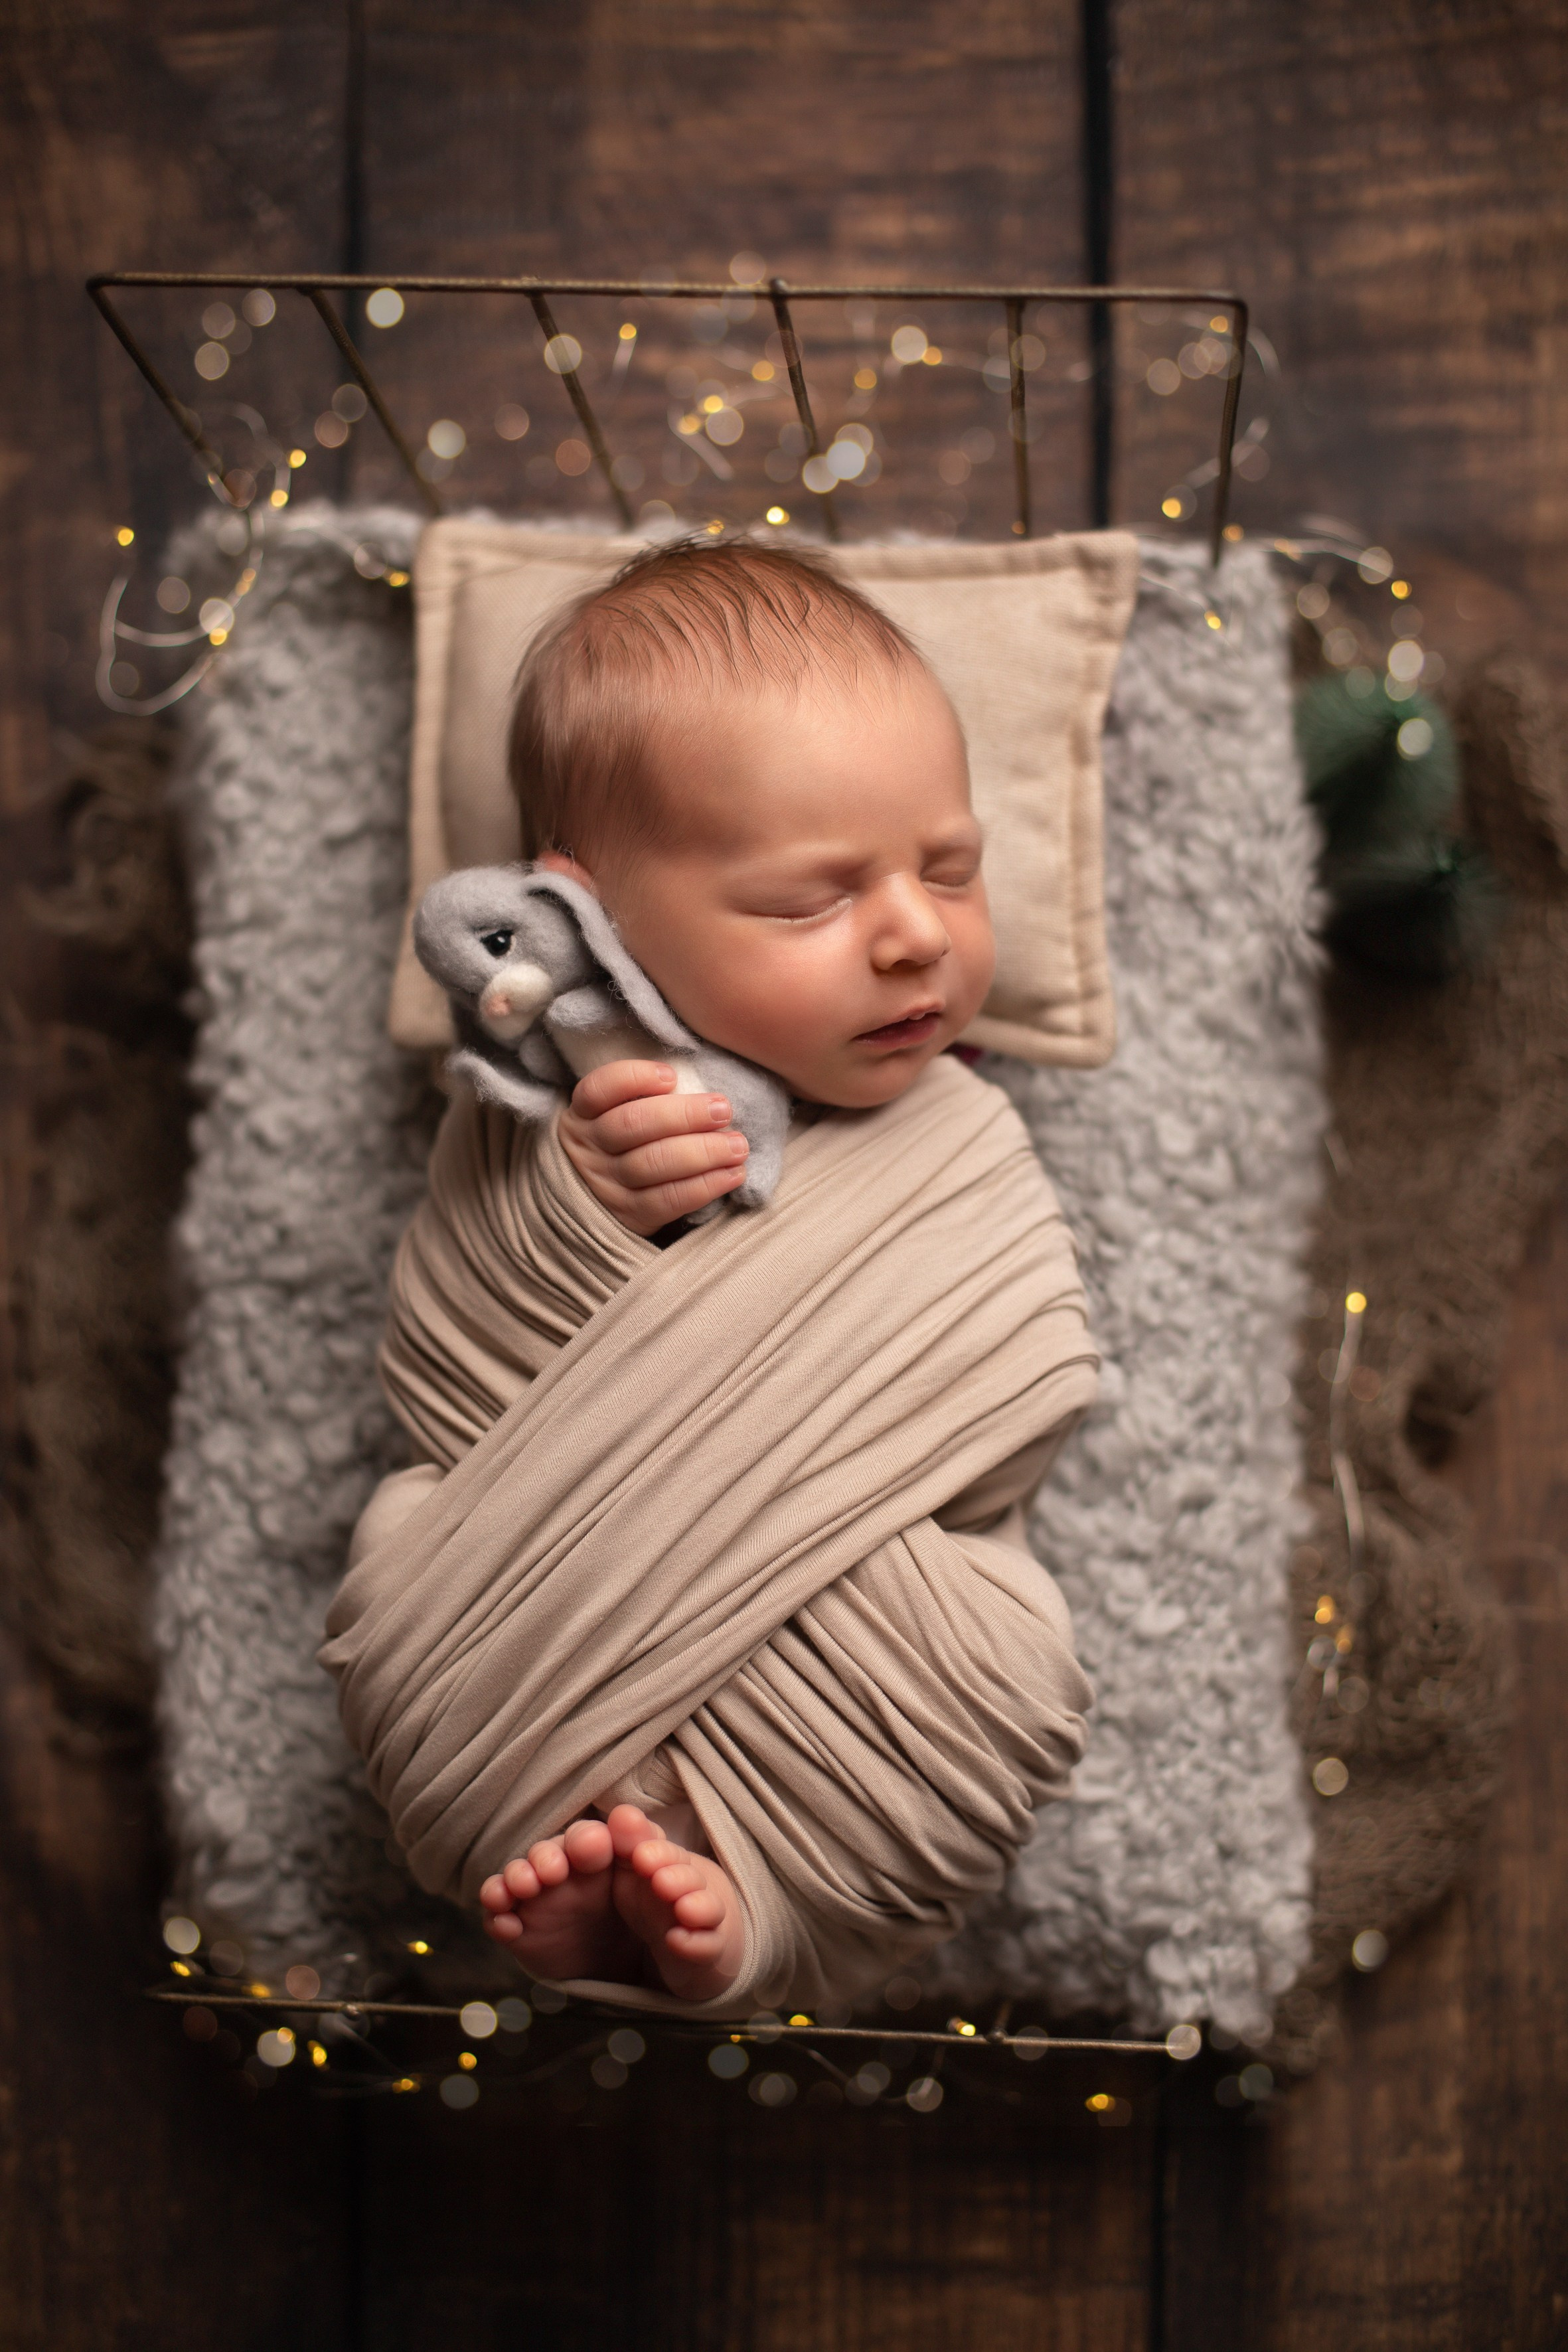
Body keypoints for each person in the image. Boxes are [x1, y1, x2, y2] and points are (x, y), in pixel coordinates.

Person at [326, 534, 1096, 2015]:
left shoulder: (955, 1140)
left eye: (950, 868)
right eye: (809, 902)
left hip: (875, 1637)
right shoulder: (548, 1122)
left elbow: (1014, 1402)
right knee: (400, 1536)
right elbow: (445, 1365)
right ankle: (653, 1872)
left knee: (1020, 1643)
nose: (915, 934)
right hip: (548, 1615)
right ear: (592, 922)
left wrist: (803, 1464)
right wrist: (575, 1212)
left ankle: (750, 1915)